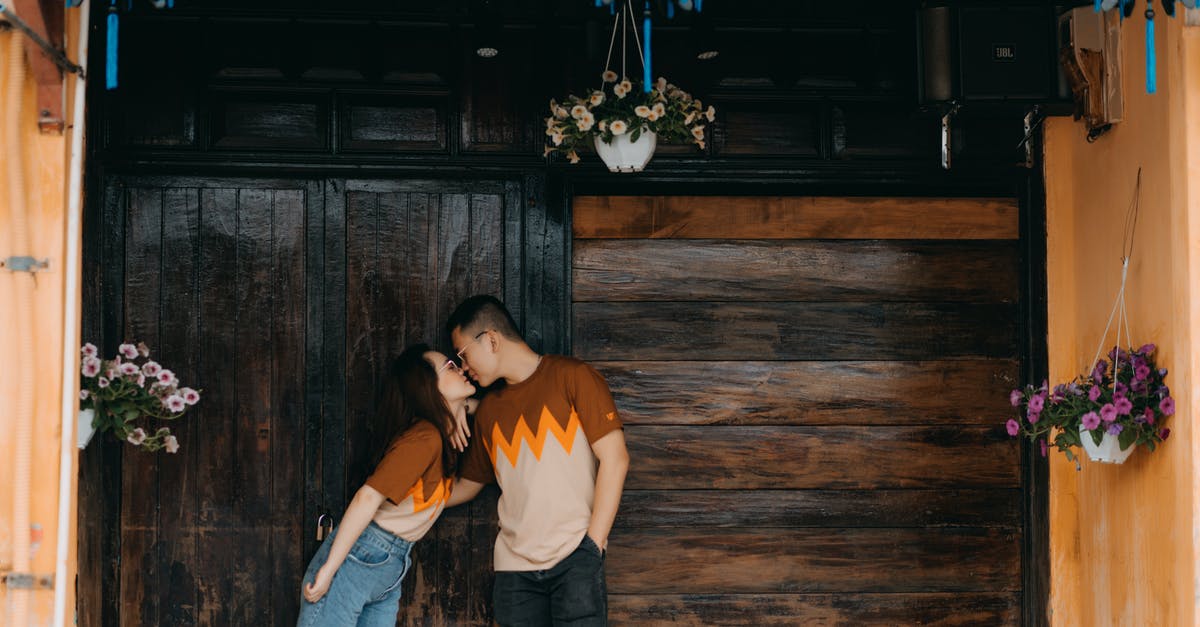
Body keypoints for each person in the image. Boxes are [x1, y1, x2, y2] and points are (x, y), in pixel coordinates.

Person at [445, 295, 630, 627]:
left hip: (576, 559)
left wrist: (593, 546)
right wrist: (400, 498)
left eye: (462, 354)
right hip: (515, 575)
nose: (463, 367)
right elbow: (466, 487)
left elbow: (615, 460)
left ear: (490, 339)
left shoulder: (573, 377)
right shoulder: (489, 410)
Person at [297, 343, 475, 626]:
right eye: (450, 367)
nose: (460, 368)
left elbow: (461, 488)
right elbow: (367, 497)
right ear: (427, 387)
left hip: (390, 563)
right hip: (360, 555)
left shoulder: (437, 438)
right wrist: (330, 568)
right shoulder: (425, 437)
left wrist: (462, 406)